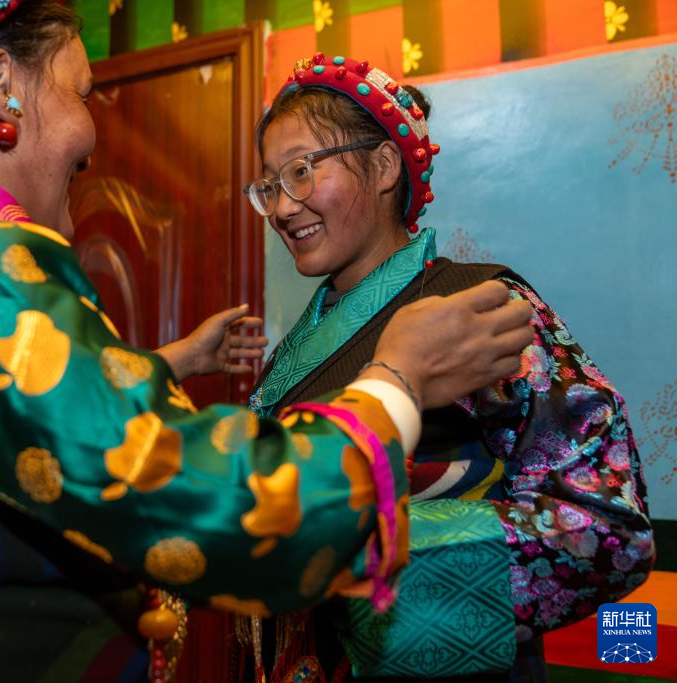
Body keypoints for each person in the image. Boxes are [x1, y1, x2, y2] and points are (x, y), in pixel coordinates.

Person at [0, 3, 533, 681]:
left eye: (303, 171)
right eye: (82, 91)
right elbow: (223, 505)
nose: (94, 131)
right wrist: (399, 377)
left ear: (387, 167)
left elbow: (23, 417)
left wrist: (179, 360)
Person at [240, 53, 655, 681]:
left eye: (301, 170)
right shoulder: (292, 351)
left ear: (385, 166)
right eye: (269, 185)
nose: (281, 207)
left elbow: (605, 525)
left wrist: (372, 569)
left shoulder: (480, 305)